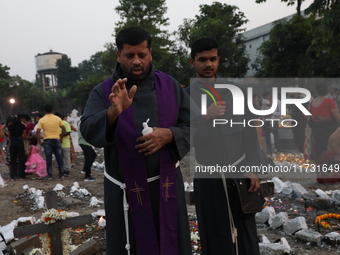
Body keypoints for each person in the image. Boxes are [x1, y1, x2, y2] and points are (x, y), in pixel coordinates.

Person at [80, 27, 191, 255]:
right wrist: (112, 112)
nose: (137, 61)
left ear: (151, 53)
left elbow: (194, 124)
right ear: (118, 55)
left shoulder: (170, 86)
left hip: (167, 188)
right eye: (130, 55)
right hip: (125, 193)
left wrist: (169, 134)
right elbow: (88, 130)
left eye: (142, 54)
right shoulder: (103, 92)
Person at [187, 38, 262, 254]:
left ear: (218, 60)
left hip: (240, 173)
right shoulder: (186, 97)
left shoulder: (236, 91)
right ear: (192, 62)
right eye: (202, 60)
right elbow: (186, 138)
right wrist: (205, 116)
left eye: (212, 59)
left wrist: (253, 166)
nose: (208, 64)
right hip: (207, 177)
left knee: (245, 230)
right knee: (214, 231)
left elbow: (249, 131)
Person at [310, 84, 340, 183]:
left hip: (317, 130)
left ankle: (322, 176)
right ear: (326, 91)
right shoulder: (329, 101)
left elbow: (307, 115)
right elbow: (336, 116)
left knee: (319, 151)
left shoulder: (313, 101)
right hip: (328, 128)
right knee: (330, 151)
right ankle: (331, 177)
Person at [36, 104, 66, 179]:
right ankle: (61, 174)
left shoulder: (42, 120)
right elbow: (63, 129)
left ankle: (49, 175)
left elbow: (38, 131)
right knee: (59, 157)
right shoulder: (57, 118)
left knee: (48, 158)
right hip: (56, 139)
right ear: (52, 110)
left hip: (47, 140)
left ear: (44, 111)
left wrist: (39, 141)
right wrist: (61, 138)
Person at [7, 115, 27, 181]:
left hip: (12, 141)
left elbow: (9, 135)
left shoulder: (10, 126)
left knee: (13, 159)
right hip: (19, 141)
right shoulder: (22, 126)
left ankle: (12, 175)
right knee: (21, 158)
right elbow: (24, 135)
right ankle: (21, 175)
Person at [54, 113, 71, 177]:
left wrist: (61, 135)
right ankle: (62, 170)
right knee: (60, 158)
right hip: (57, 143)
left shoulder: (65, 123)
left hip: (65, 143)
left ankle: (67, 170)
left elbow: (68, 132)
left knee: (66, 157)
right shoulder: (55, 124)